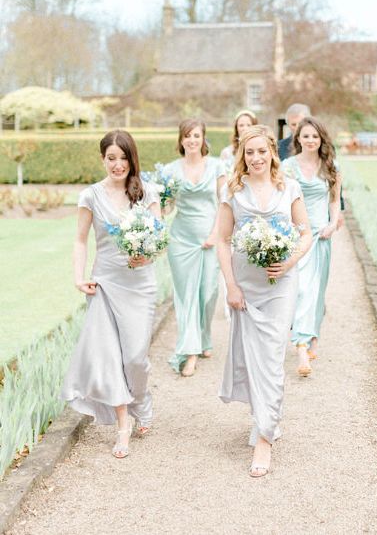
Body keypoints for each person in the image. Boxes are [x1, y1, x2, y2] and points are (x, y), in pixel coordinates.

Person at [217, 125, 312, 477]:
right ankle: (262, 418)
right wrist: (231, 286)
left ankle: (265, 439)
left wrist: (288, 261)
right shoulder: (233, 190)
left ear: (273, 152)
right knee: (251, 355)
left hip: (281, 283)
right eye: (249, 152)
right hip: (245, 284)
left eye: (262, 151)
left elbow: (305, 234)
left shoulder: (289, 188)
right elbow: (224, 240)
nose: (256, 158)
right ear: (242, 155)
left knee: (272, 355)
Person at [61, 130, 161, 459]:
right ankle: (123, 427)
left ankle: (141, 400)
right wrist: (79, 278)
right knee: (109, 357)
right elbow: (80, 239)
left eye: (123, 158)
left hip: (139, 285)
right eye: (111, 158)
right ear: (103, 159)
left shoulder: (147, 194)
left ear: (133, 159)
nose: (117, 165)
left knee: (135, 358)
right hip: (105, 283)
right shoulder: (90, 196)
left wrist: (147, 254)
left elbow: (159, 241)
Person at [165, 119, 227, 376]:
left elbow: (225, 204)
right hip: (181, 240)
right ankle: (189, 351)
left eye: (196, 135)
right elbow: (167, 207)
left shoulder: (217, 166)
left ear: (203, 139)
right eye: (187, 136)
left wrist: (215, 234)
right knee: (187, 296)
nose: (192, 140)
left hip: (210, 238)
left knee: (208, 293)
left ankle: (204, 337)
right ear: (181, 140)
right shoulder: (170, 170)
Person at [281, 117, 341, 377]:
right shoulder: (287, 167)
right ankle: (302, 348)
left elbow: (335, 200)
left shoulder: (330, 167)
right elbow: (281, 201)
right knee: (303, 289)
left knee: (317, 291)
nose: (310, 140)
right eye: (305, 136)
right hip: (298, 236)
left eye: (315, 136)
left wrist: (333, 223)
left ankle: (311, 334)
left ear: (321, 140)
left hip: (322, 236)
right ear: (298, 139)